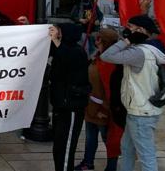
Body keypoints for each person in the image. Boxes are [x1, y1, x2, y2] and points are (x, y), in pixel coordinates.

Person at [101, 14, 165, 171]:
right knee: (127, 149)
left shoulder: (140, 53)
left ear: (140, 30)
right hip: (141, 109)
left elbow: (106, 56)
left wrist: (128, 41)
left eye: (130, 27)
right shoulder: (154, 49)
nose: (126, 30)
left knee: (146, 156)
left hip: (140, 112)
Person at [74, 28, 120, 171]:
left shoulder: (110, 62)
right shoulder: (98, 56)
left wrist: (103, 109)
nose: (96, 40)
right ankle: (88, 162)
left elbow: (109, 89)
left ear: (103, 41)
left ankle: (111, 167)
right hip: (91, 106)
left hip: (103, 109)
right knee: (90, 137)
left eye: (98, 38)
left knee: (108, 140)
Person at [50, 23, 90, 171]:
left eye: (59, 31)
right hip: (61, 106)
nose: (56, 34)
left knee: (66, 149)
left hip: (71, 107)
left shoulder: (76, 52)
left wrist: (55, 40)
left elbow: (65, 56)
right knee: (59, 148)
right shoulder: (63, 49)